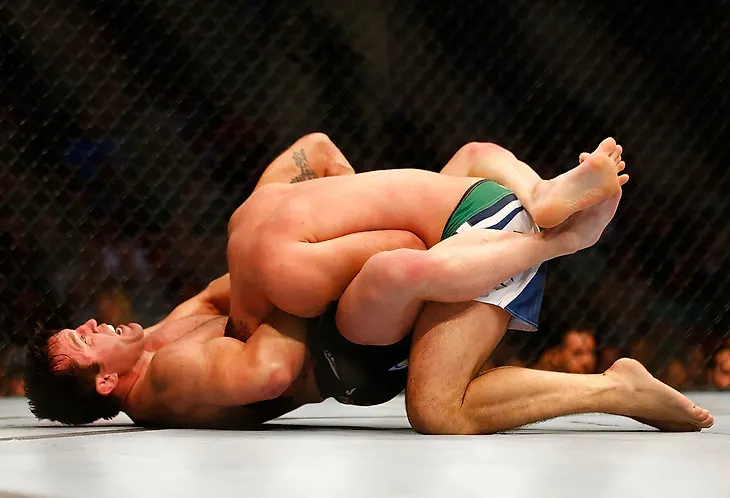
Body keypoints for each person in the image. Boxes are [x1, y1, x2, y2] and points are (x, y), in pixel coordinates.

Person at [24, 133, 713, 433]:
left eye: (76, 326)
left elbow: (223, 294)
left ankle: (548, 229)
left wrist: (310, 244)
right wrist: (304, 266)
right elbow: (270, 370)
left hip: (423, 275)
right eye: (81, 342)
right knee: (398, 272)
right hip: (357, 339)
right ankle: (549, 229)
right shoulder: (167, 377)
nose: (91, 323)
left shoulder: (162, 336)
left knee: (433, 400)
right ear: (105, 382)